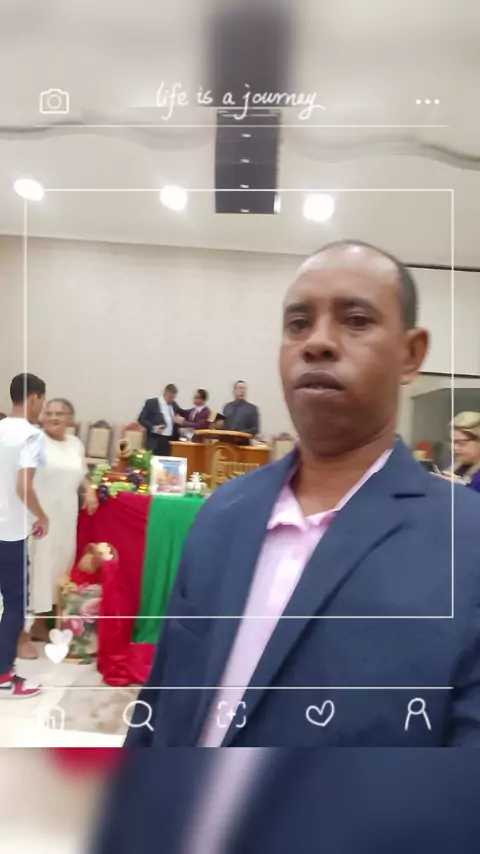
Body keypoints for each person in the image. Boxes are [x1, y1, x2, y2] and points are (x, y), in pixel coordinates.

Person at [126, 239, 480, 750]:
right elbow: (159, 700)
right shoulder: (223, 512)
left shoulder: (464, 540)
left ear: (411, 354)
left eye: (355, 320)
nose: (317, 342)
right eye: (298, 324)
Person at [25, 398, 98, 650]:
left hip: (66, 514)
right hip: (40, 514)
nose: (53, 417)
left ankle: (48, 623)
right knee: (40, 566)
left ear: (70, 419)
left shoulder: (75, 443)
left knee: (60, 565)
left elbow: (81, 473)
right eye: (49, 412)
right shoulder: (35, 441)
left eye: (59, 413)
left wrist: (89, 490)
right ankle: (29, 626)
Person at [0, 373, 47, 696]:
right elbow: (23, 487)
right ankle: (4, 674)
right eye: (42, 400)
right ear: (34, 398)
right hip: (10, 534)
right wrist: (41, 515)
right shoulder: (31, 435)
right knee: (16, 604)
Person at [138, 383, 188, 456]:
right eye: (170, 397)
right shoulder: (152, 403)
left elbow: (184, 413)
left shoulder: (173, 404)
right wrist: (153, 428)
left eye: (173, 397)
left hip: (170, 441)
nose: (171, 399)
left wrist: (198, 410)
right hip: (156, 441)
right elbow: (141, 419)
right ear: (165, 392)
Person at [449, 411, 480, 492]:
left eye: (462, 443)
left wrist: (459, 488)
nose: (455, 448)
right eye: (453, 442)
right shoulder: (457, 464)